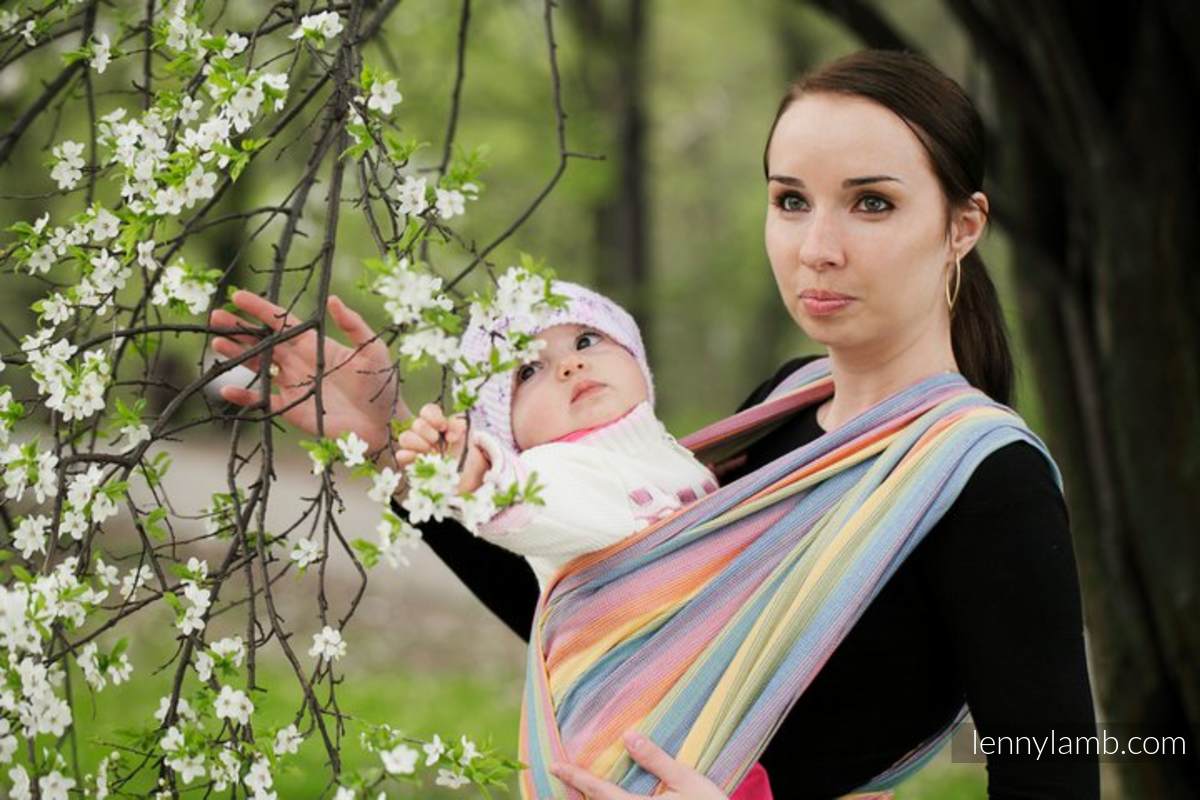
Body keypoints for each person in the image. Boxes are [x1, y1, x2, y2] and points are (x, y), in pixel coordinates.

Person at [210, 49, 1099, 799]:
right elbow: (610, 626)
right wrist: (395, 452)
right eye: (791, 199)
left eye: (872, 203)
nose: (816, 246)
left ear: (962, 225)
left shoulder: (987, 481)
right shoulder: (782, 404)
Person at [388, 281, 724, 594]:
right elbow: (529, 501)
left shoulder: (667, 450)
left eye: (586, 341)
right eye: (529, 370)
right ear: (507, 430)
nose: (570, 364)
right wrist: (474, 470)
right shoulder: (559, 467)